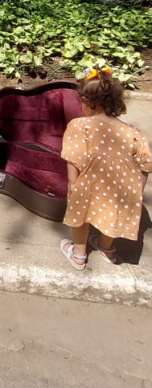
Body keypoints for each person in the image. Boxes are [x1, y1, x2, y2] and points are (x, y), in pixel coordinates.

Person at [58, 67, 151, 270]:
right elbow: (145, 164)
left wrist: (72, 183)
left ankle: (79, 255)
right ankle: (106, 248)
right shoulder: (133, 132)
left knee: (81, 214)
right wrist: (137, 190)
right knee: (112, 213)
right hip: (124, 187)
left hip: (90, 182)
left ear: (89, 102)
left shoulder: (80, 126)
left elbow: (74, 157)